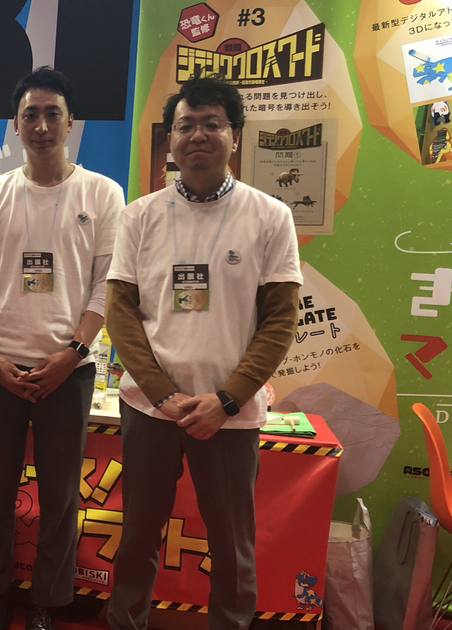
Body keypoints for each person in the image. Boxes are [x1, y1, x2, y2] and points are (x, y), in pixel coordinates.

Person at [103, 74, 302, 630]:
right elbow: (121, 314)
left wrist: (228, 399)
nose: (197, 135)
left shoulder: (270, 216)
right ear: (169, 139)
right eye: (185, 125)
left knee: (232, 546)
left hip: (230, 416)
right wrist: (162, 395)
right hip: (150, 410)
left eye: (212, 124)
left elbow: (280, 321)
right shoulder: (139, 215)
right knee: (137, 537)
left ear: (235, 136)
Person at [0, 67, 123, 630]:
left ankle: (48, 604)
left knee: (59, 495)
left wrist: (73, 352)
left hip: (68, 370)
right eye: (30, 114)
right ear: (15, 125)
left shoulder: (102, 193)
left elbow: (107, 284)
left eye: (53, 114)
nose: (42, 125)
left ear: (71, 123)